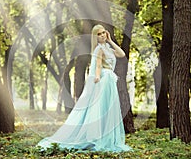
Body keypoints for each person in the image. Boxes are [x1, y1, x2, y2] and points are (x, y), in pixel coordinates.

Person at [37, 24, 132, 152]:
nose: (102, 35)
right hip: (104, 81)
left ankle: (106, 136)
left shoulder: (108, 48)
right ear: (95, 37)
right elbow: (98, 66)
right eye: (99, 34)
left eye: (103, 32)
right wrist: (97, 77)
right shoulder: (99, 49)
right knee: (100, 110)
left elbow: (121, 54)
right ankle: (97, 138)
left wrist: (110, 40)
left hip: (110, 81)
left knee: (108, 111)